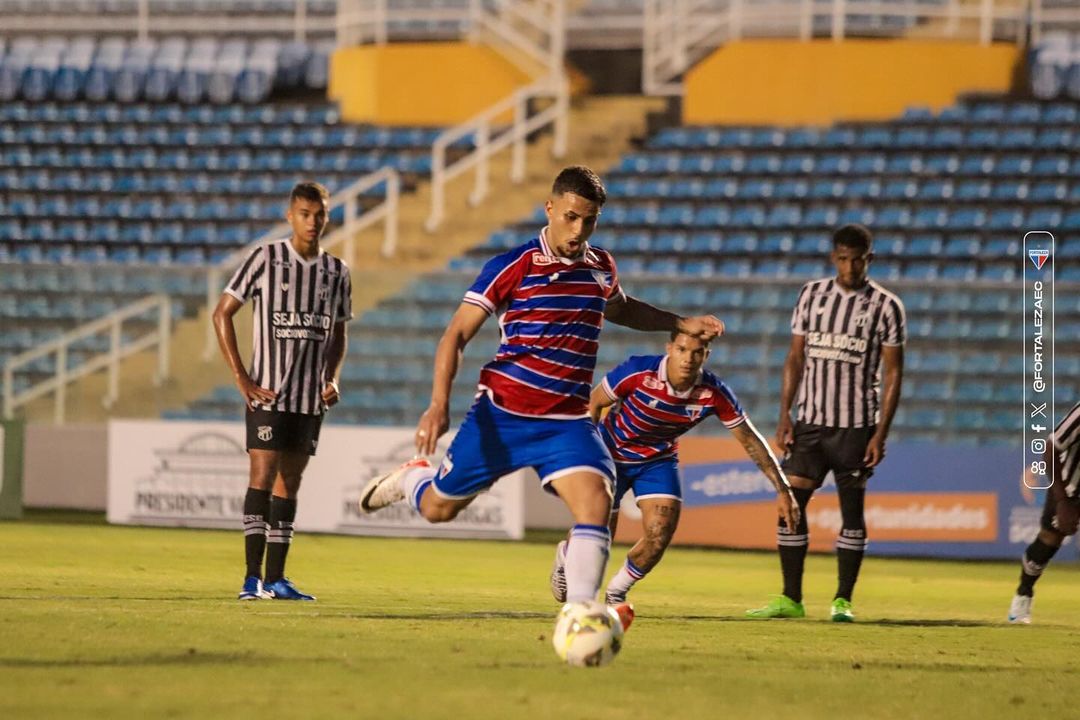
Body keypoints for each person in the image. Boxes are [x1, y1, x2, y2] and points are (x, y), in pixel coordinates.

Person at [358, 165, 724, 609]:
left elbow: (622, 308)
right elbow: (455, 335)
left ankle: (582, 615)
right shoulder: (513, 266)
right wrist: (438, 404)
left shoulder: (600, 266)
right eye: (571, 216)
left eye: (589, 220)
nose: (579, 229)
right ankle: (412, 477)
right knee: (439, 508)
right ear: (550, 209)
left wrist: (677, 322)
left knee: (595, 503)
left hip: (567, 421)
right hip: (504, 414)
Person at [548, 331, 799, 606]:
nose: (688, 358)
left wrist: (783, 488)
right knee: (601, 532)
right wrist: (589, 454)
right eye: (681, 349)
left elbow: (749, 439)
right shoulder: (638, 371)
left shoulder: (714, 392)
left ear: (706, 355)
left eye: (696, 352)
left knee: (660, 533)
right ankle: (566, 554)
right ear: (670, 348)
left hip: (658, 460)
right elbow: (594, 403)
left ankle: (616, 591)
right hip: (611, 453)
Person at [747, 223, 905, 622]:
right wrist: (786, 415)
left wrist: (880, 433)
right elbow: (795, 357)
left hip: (855, 427)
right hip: (810, 424)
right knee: (790, 505)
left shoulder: (887, 307)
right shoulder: (811, 295)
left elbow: (893, 375)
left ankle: (842, 601)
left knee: (852, 511)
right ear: (834, 258)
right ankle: (791, 597)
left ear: (870, 259)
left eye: (857, 260)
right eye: (843, 259)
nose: (850, 268)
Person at [212, 181, 352, 601]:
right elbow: (222, 313)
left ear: (328, 217)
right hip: (268, 394)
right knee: (262, 476)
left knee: (290, 483)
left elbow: (338, 332)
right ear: (290, 216)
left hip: (309, 400)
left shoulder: (337, 272)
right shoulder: (265, 258)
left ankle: (277, 578)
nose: (313, 222)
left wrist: (332, 377)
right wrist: (242, 378)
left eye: (320, 214)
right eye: (305, 214)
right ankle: (251, 579)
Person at [1008, 400, 1080, 623]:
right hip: (1073, 488)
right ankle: (1023, 593)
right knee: (1050, 538)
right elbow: (1051, 448)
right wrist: (1062, 501)